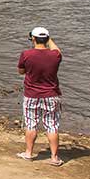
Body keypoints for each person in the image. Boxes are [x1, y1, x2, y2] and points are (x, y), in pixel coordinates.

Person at [17, 27, 63, 166]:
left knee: (31, 123)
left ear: (33, 39)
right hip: (51, 94)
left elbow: (21, 71)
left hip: (32, 94)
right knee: (52, 125)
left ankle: (29, 153)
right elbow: (57, 50)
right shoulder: (55, 55)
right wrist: (49, 39)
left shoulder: (26, 54)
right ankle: (54, 158)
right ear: (47, 39)